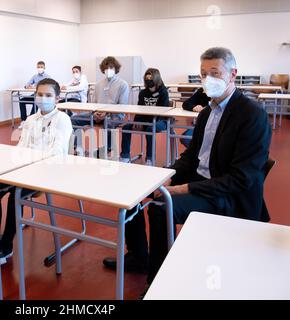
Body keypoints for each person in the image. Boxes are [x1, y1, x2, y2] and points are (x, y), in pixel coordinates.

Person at [102, 47, 272, 297]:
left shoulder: (251, 115)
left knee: (160, 210)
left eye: (215, 73)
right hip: (201, 180)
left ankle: (158, 281)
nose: (207, 79)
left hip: (227, 195)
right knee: (135, 193)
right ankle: (140, 257)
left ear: (233, 74)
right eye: (203, 74)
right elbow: (191, 157)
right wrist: (161, 177)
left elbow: (241, 179)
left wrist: (177, 189)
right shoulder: (206, 113)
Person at [0, 78, 73, 272]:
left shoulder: (62, 119)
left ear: (57, 98)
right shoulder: (31, 120)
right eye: (40, 94)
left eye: (48, 95)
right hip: (23, 170)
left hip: (48, 172)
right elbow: (21, 147)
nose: (43, 98)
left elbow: (56, 152)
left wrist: (28, 164)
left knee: (15, 195)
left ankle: (5, 247)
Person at [71, 56, 129, 157]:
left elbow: (122, 106)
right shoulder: (99, 84)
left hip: (115, 115)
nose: (108, 70)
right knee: (75, 119)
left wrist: (106, 113)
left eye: (111, 68)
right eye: (106, 68)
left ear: (116, 69)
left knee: (109, 122)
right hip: (96, 113)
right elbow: (93, 103)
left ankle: (105, 149)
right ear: (103, 70)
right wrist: (95, 113)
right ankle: (77, 147)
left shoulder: (123, 84)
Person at [119, 68, 169, 165]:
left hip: (161, 120)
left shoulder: (163, 92)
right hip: (146, 120)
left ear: (156, 79)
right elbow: (140, 110)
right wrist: (137, 122)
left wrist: (147, 123)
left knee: (150, 129)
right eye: (147, 78)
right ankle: (125, 156)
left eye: (151, 78)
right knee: (126, 128)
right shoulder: (143, 93)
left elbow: (163, 111)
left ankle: (150, 158)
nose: (148, 80)